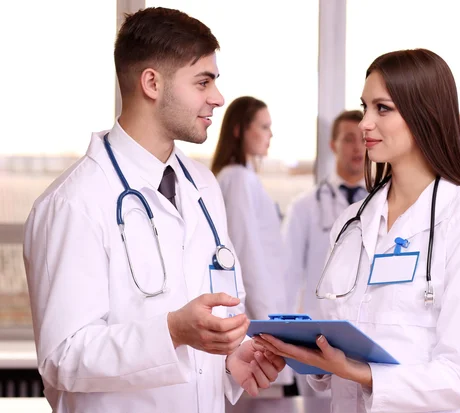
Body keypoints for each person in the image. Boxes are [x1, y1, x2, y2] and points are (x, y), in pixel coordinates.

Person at [22, 8, 284, 413]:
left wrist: (230, 363)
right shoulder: (74, 203)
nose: (218, 98)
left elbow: (206, 332)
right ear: (151, 83)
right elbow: (63, 357)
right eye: (203, 81)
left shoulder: (204, 187)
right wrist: (172, 331)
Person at [253, 49, 460, 413]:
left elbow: (459, 379)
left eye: (382, 109)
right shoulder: (352, 222)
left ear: (425, 115)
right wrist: (306, 353)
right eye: (364, 108)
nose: (364, 124)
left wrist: (361, 372)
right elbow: (339, 334)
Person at [211, 96, 294, 391]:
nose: (270, 134)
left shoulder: (244, 178)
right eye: (263, 126)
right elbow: (246, 257)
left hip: (264, 318)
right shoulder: (236, 179)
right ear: (238, 130)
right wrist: (271, 327)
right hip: (259, 326)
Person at [282, 110, 366, 397]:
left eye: (363, 140)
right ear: (333, 145)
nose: (358, 148)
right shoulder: (304, 207)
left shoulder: (385, 206)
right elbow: (288, 277)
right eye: (349, 139)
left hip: (366, 342)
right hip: (316, 342)